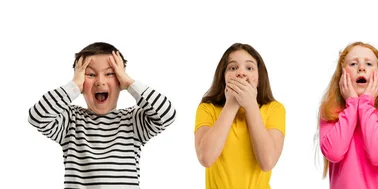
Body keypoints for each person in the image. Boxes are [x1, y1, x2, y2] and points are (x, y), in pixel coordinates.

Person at [27, 42, 177, 188]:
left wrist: (129, 83)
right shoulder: (70, 120)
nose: (100, 81)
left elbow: (167, 115)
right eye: (90, 74)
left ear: (119, 80)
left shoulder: (132, 121)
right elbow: (37, 117)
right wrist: (73, 85)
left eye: (110, 73)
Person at [318, 42, 378, 189]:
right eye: (353, 63)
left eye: (369, 64)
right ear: (342, 74)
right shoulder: (331, 113)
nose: (361, 68)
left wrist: (366, 103)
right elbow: (334, 152)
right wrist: (352, 104)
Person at [194, 43, 286, 189]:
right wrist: (231, 104)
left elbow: (267, 162)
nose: (241, 73)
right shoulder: (207, 108)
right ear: (223, 76)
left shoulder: (275, 109)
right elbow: (206, 158)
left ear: (259, 78)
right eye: (233, 67)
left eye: (249, 68)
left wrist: (250, 105)